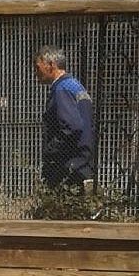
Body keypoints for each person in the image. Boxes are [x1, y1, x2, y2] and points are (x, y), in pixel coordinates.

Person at [33, 46, 95, 190]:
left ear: (51, 65)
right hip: (83, 163)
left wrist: (51, 150)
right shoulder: (76, 86)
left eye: (37, 67)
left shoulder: (61, 89)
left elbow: (71, 126)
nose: (35, 73)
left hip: (68, 167)